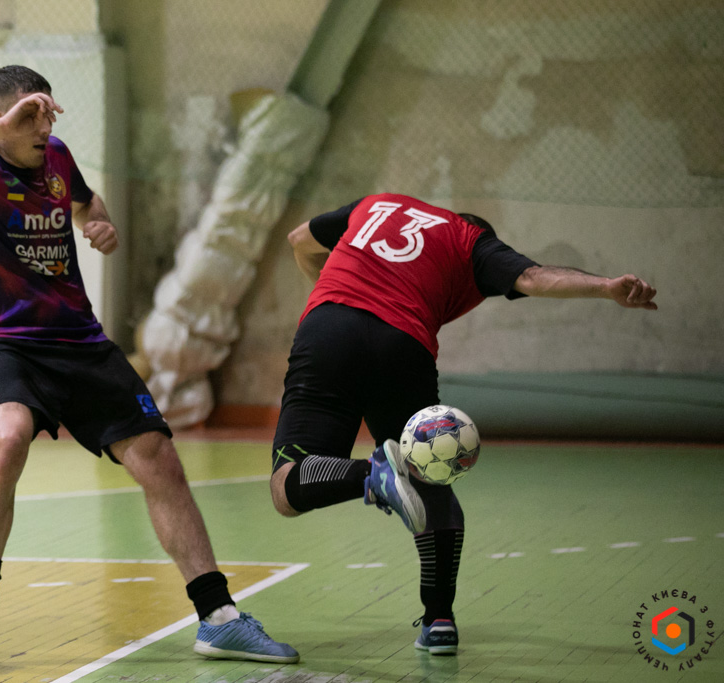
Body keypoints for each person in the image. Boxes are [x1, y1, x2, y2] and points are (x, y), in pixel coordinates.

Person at [0, 65, 297, 666]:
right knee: (8, 437)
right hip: (12, 343)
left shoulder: (56, 157)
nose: (43, 127)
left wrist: (97, 223)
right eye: (29, 116)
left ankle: (219, 618)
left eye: (47, 113)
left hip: (81, 341)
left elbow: (85, 202)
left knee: (159, 458)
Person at [272, 193, 657, 655]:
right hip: (403, 345)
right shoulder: (471, 240)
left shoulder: (380, 202)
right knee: (430, 476)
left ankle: (373, 475)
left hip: (329, 328)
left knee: (288, 484)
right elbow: (533, 277)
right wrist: (607, 286)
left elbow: (300, 239)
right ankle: (439, 620)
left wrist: (328, 292)